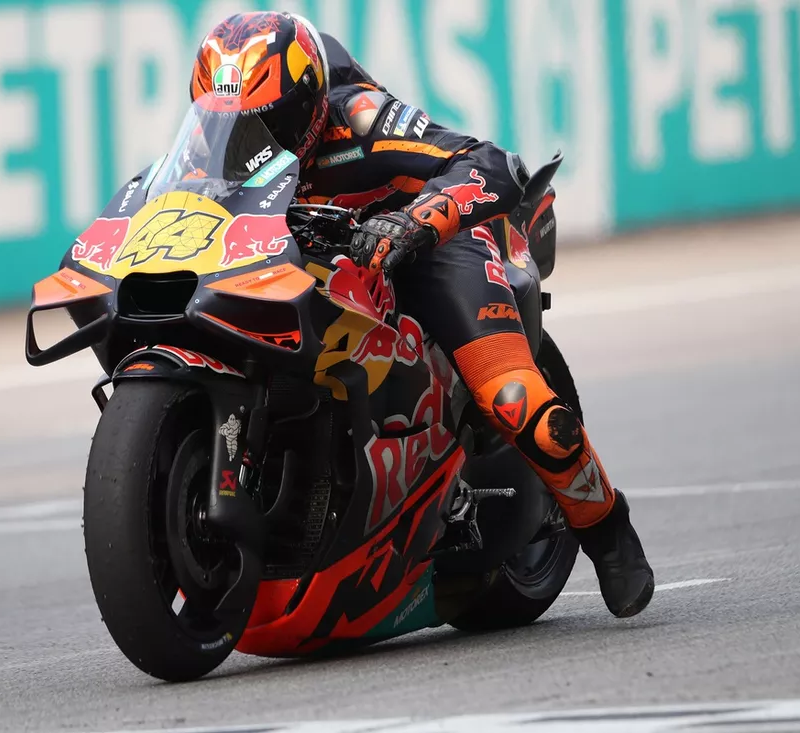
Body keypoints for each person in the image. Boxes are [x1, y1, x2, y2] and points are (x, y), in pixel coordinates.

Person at [190, 11, 654, 618]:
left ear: (306, 106)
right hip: (313, 262)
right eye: (225, 123)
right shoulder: (210, 148)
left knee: (517, 400)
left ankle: (607, 529)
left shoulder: (358, 118)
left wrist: (415, 222)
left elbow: (487, 162)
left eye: (264, 124)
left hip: (425, 247)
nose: (244, 141)